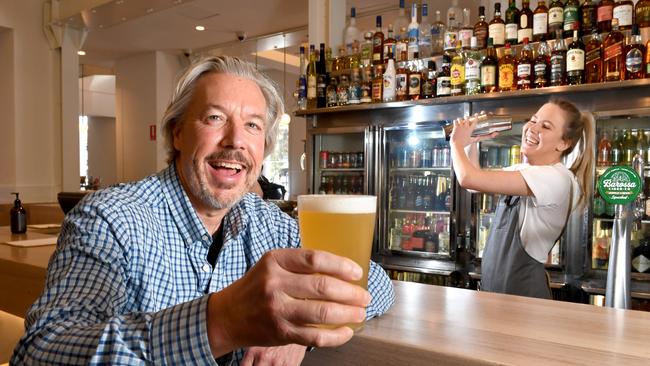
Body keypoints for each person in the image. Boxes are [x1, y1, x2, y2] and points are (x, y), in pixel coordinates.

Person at [12, 56, 395, 365]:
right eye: (215, 118)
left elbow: (373, 281)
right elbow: (43, 352)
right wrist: (218, 323)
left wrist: (298, 332)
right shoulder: (111, 219)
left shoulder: (268, 223)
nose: (235, 141)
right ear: (177, 133)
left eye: (253, 125)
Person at [450, 98, 594, 299]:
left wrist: (456, 143)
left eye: (545, 126)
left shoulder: (558, 178)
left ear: (564, 143)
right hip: (496, 294)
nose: (532, 128)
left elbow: (468, 179)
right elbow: (475, 181)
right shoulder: (524, 170)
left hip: (524, 298)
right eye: (533, 120)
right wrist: (472, 141)